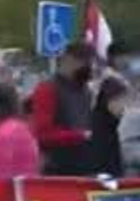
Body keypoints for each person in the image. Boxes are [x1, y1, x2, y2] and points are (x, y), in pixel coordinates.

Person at [30, 43, 95, 176]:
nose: (90, 68)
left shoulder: (85, 91)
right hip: (58, 169)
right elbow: (43, 134)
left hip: (84, 166)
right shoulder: (47, 89)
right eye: (86, 63)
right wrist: (80, 135)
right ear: (69, 60)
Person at [0, 83, 40, 180]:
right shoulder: (23, 128)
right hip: (28, 183)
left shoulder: (3, 131)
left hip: (7, 184)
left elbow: (0, 166)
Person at [90, 77, 129, 178]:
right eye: (120, 100)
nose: (123, 107)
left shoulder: (112, 123)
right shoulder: (98, 126)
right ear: (109, 100)